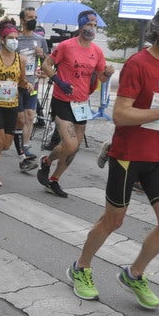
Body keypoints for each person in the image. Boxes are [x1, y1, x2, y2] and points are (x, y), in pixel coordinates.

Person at [67, 3, 159, 309]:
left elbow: (153, 107)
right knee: (113, 221)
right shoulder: (138, 64)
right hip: (127, 156)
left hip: (153, 155)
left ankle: (134, 274)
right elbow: (121, 115)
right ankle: (80, 268)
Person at [37, 10, 115, 198]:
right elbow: (47, 65)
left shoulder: (97, 51)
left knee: (74, 148)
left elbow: (102, 79)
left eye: (95, 25)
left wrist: (108, 73)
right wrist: (59, 81)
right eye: (89, 25)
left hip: (82, 104)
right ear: (80, 26)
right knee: (70, 145)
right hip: (62, 101)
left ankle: (53, 177)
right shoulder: (66, 46)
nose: (92, 28)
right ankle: (47, 161)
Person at [0, 22, 32, 186]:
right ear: (2, 40)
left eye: (16, 39)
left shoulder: (21, 60)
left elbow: (22, 80)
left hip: (11, 104)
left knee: (5, 145)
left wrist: (28, 85)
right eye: (10, 38)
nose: (14, 42)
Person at [15, 6, 49, 171]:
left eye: (35, 17)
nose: (33, 20)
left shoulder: (40, 40)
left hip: (32, 84)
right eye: (29, 17)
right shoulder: (15, 39)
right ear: (22, 20)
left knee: (29, 116)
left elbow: (46, 63)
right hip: (15, 84)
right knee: (18, 120)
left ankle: (26, 147)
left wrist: (42, 56)